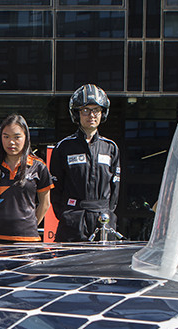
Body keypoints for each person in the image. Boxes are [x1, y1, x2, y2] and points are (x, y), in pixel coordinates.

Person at [49, 84, 122, 242]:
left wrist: (107, 212)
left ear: (103, 113)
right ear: (77, 114)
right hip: (73, 219)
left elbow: (115, 189)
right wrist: (66, 214)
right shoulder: (64, 147)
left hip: (103, 219)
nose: (92, 115)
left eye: (96, 110)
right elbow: (55, 188)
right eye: (85, 110)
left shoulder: (111, 148)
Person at [0, 115, 53, 243]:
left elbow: (45, 203)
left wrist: (29, 224)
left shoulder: (39, 166)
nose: (11, 142)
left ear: (26, 137)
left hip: (28, 238)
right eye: (6, 136)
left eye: (17, 137)